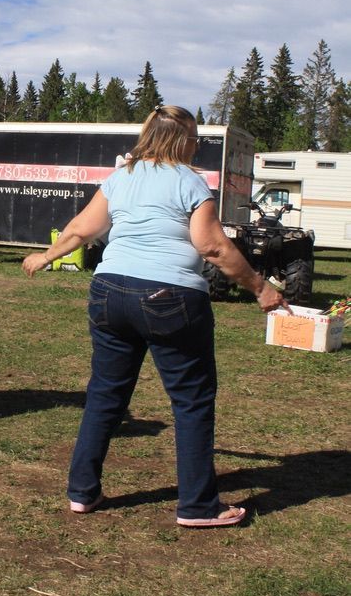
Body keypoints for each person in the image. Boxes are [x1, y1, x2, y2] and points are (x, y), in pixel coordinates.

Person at [22, 105, 288, 528]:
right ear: (183, 141)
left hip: (109, 293)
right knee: (192, 400)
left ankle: (82, 492)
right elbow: (213, 247)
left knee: (106, 393)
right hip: (171, 298)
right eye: (196, 139)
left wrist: (45, 255)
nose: (197, 146)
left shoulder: (122, 177)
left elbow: (81, 229)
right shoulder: (190, 181)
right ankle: (199, 506)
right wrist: (260, 287)